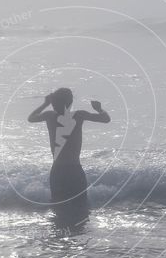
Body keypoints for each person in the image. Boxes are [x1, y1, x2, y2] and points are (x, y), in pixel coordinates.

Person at [28, 87, 110, 228]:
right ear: (70, 102)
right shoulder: (78, 115)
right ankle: (77, 238)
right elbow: (106, 119)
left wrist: (44, 104)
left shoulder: (49, 116)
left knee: (58, 209)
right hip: (74, 170)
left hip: (58, 171)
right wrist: (99, 108)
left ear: (53, 104)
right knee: (81, 208)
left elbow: (31, 118)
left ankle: (60, 239)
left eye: (53, 103)